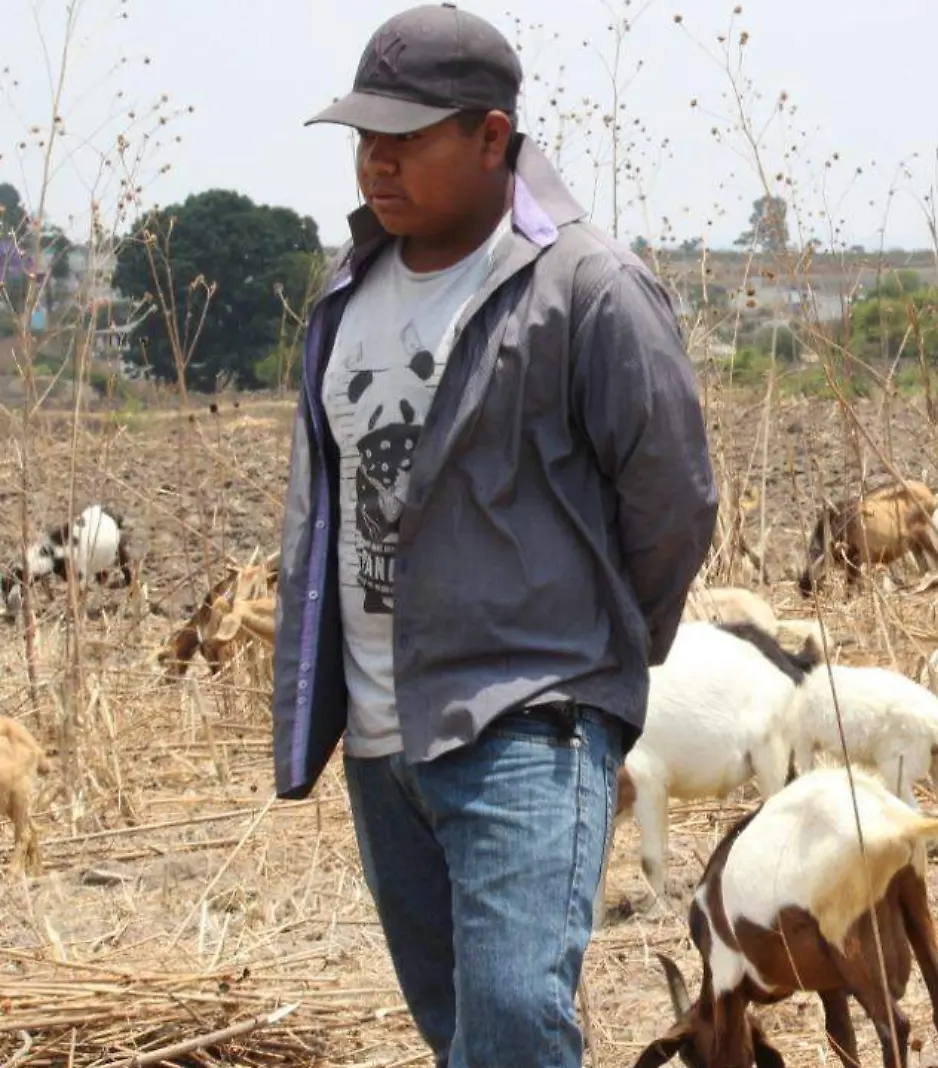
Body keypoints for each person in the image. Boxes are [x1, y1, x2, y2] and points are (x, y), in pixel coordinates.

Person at [270, 5, 718, 1065]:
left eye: (406, 137)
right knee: (463, 1036)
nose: (376, 161)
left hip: (529, 720)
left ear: (489, 136)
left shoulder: (585, 287)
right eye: (364, 137)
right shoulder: (348, 290)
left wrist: (595, 660)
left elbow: (675, 500)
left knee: (517, 1025)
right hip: (384, 743)